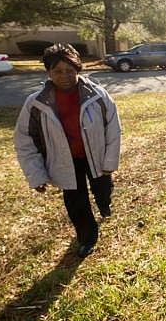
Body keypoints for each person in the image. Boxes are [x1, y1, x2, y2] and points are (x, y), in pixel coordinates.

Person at [14, 43, 121, 258]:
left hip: (97, 159)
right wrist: (36, 175)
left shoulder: (98, 95)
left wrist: (110, 162)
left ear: (78, 69)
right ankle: (87, 237)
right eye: (58, 71)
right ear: (48, 72)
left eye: (70, 70)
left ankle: (104, 204)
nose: (65, 76)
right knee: (76, 203)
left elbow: (114, 129)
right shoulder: (35, 103)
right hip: (63, 162)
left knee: (102, 188)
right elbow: (24, 141)